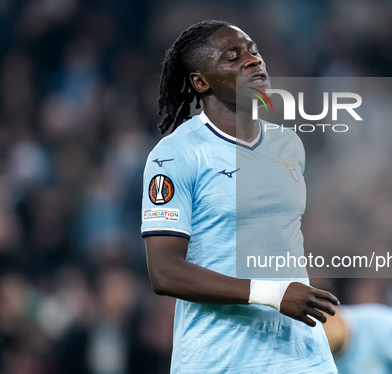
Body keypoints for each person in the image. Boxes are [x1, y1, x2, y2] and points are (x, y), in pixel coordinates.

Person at [141, 20, 339, 373]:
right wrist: (273, 295)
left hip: (303, 355)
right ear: (200, 81)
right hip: (221, 359)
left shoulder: (289, 145)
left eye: (253, 51)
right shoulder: (174, 155)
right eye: (233, 57)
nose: (252, 61)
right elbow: (165, 272)